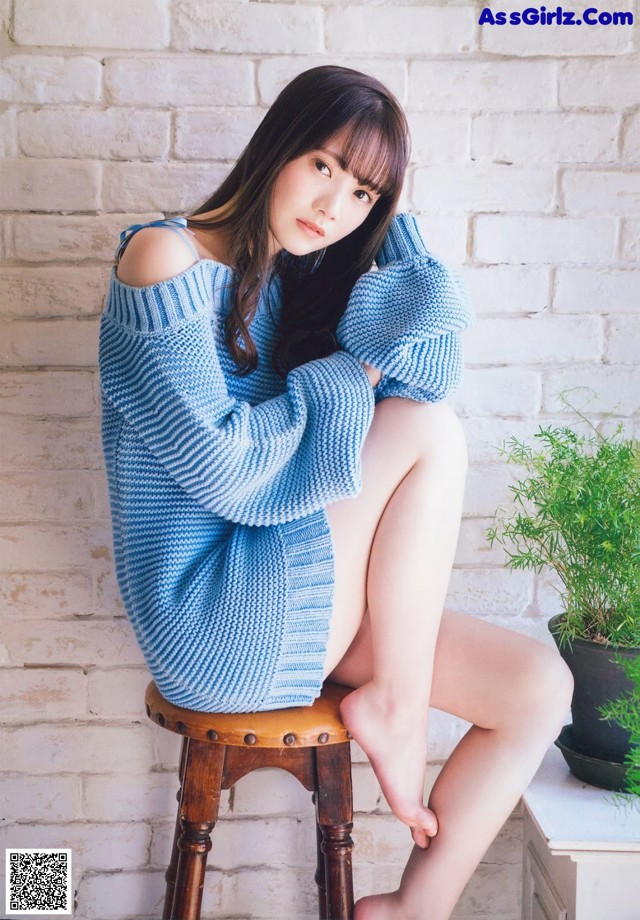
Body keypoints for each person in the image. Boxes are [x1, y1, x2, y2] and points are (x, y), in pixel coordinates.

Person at [99, 65, 573, 920]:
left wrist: (395, 229)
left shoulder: (292, 277)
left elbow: (427, 370)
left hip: (281, 594)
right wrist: (351, 372)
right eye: (324, 166)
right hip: (208, 612)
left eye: (362, 194)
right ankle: (391, 701)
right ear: (279, 143)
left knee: (539, 686)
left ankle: (413, 909)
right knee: (430, 435)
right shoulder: (162, 257)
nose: (334, 205)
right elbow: (228, 467)